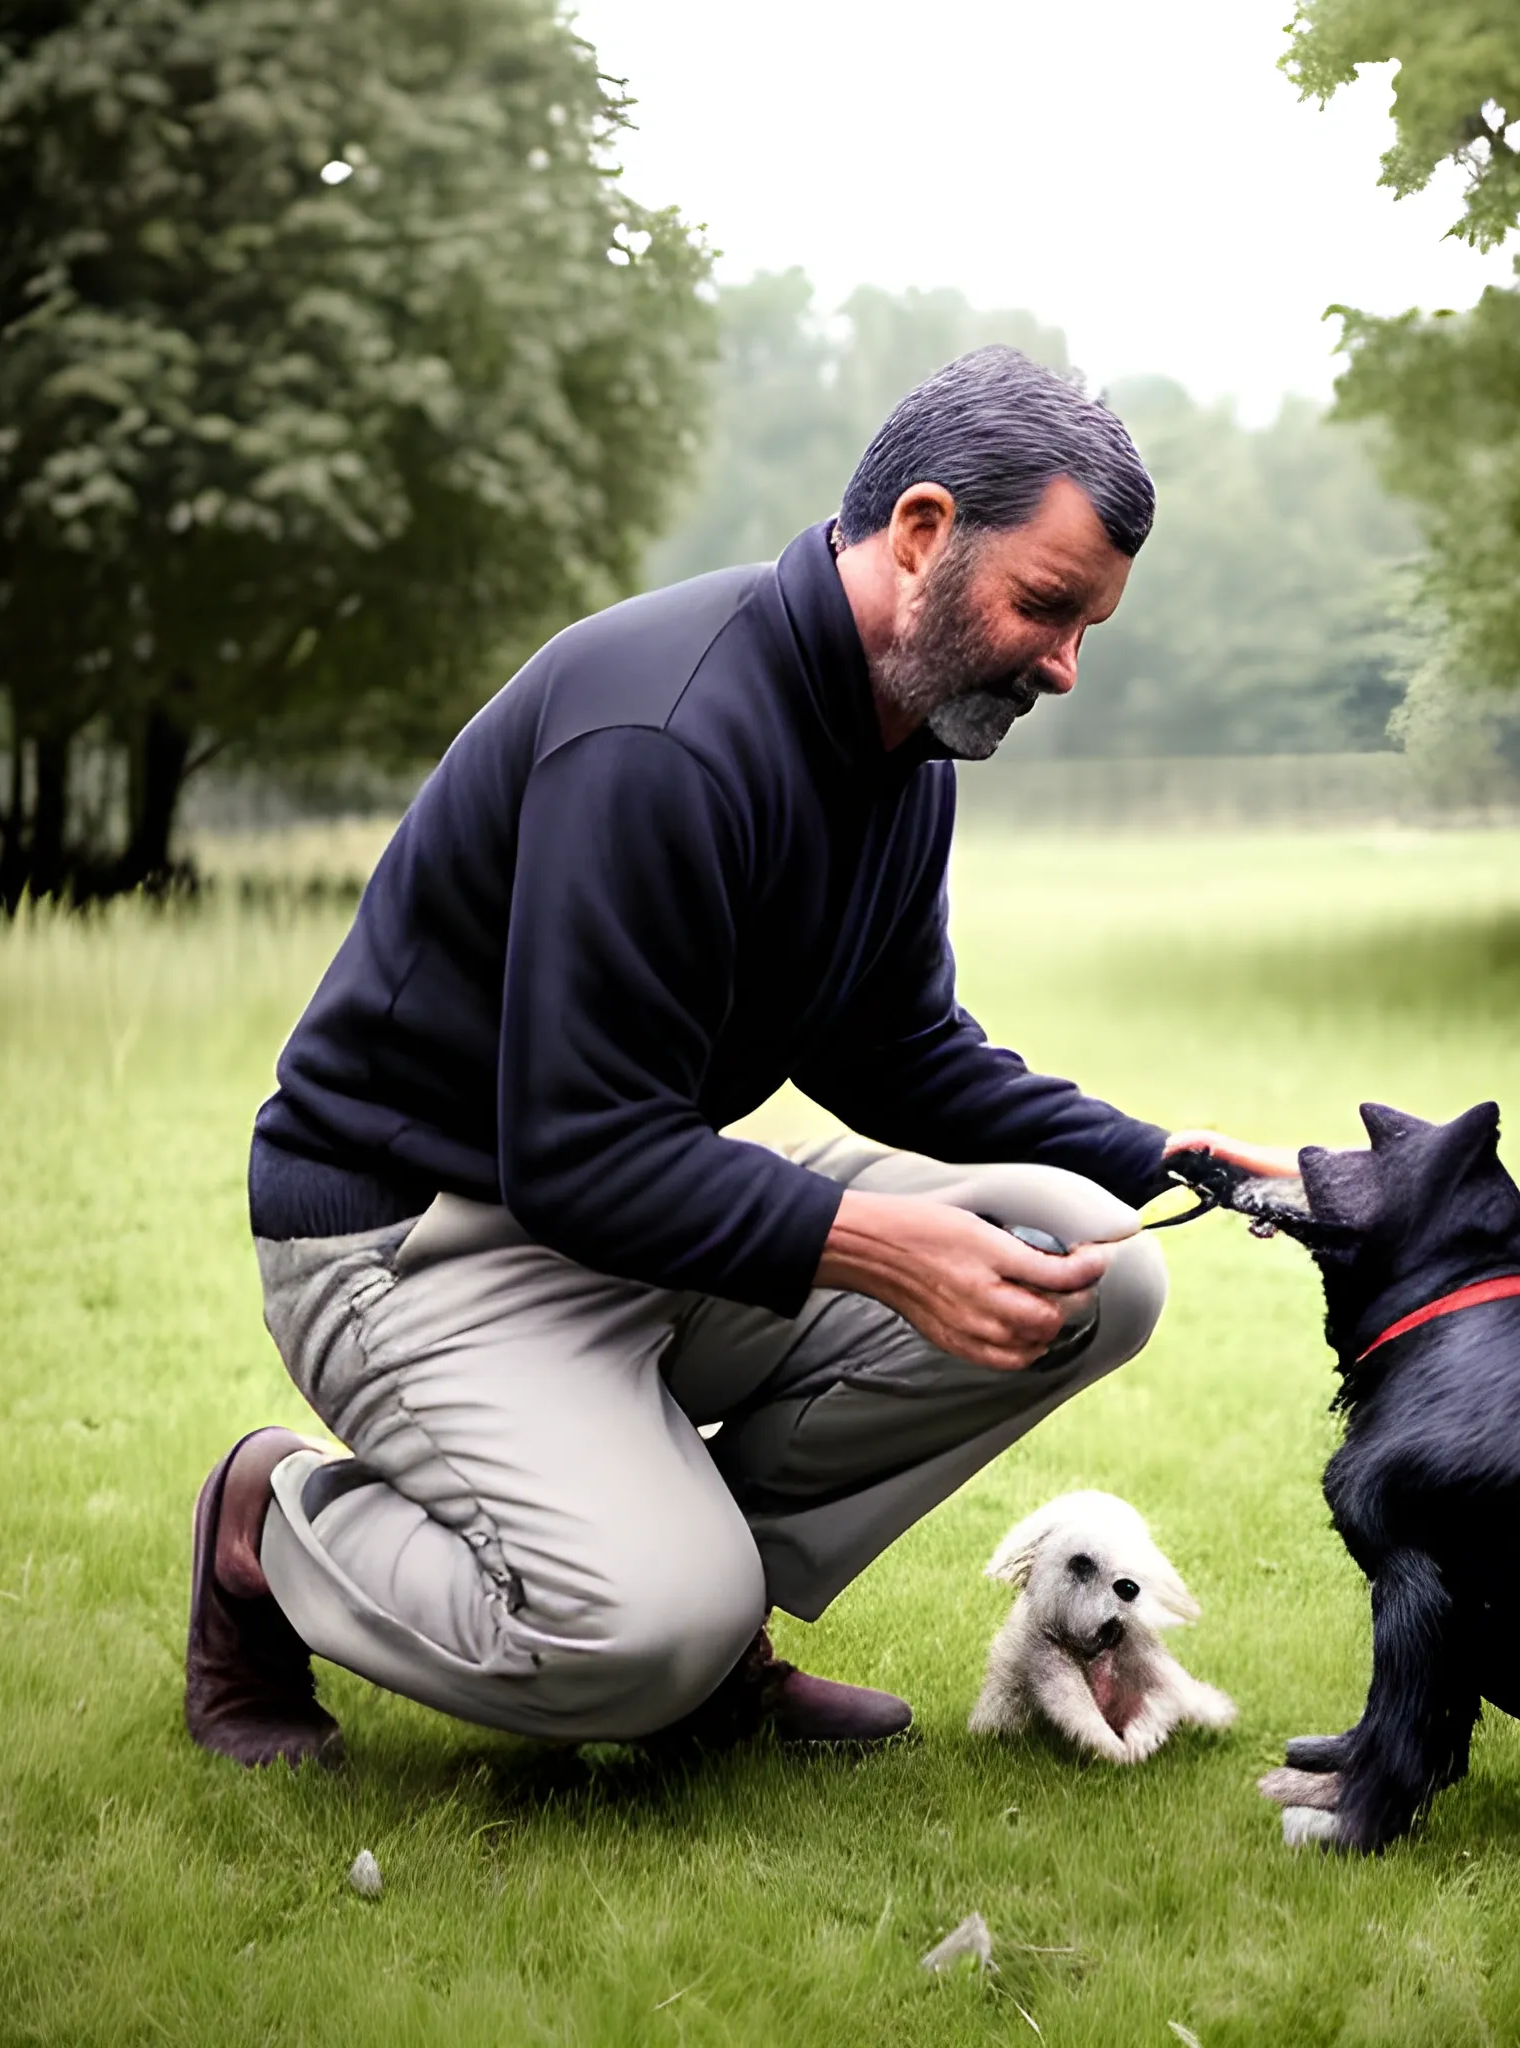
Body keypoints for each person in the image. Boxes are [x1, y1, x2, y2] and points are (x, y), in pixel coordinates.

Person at [186, 346, 1292, 1767]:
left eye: (1088, 628)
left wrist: (1163, 1155)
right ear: (922, 534)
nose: (1066, 666)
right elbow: (573, 1147)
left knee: (1093, 1265)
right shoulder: (666, 735)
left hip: (629, 1214)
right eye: (1046, 607)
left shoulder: (900, 752)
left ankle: (709, 1615)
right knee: (635, 1639)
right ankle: (273, 1530)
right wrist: (884, 1248)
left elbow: (895, 1046)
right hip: (419, 1239)